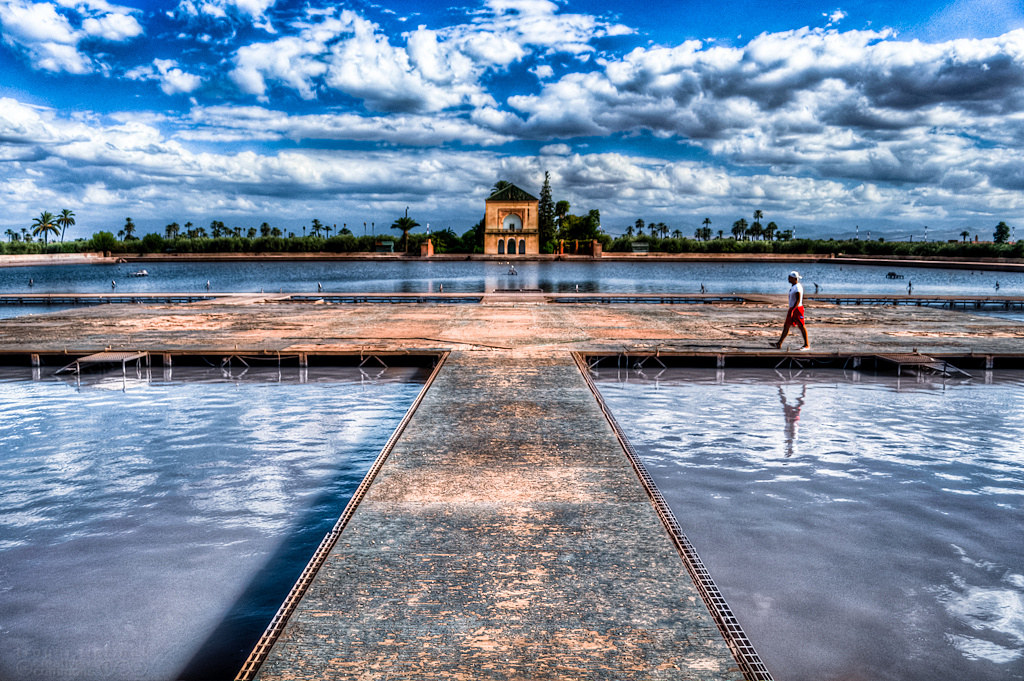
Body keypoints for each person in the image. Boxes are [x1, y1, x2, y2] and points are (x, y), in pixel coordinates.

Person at [773, 271, 809, 350]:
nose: (788, 279)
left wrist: (793, 310)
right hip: (792, 308)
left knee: (801, 326)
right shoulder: (793, 286)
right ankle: (779, 343)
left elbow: (798, 300)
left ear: (794, 278)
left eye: (790, 277)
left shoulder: (797, 287)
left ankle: (806, 344)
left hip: (797, 309)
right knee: (786, 326)